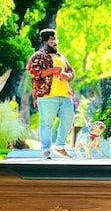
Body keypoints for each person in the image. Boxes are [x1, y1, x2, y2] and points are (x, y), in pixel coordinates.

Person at [25, 28, 75, 159]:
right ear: (45, 42)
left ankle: (59, 146)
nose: (55, 42)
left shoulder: (61, 57)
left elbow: (71, 72)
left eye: (55, 39)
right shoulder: (38, 56)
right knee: (46, 123)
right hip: (47, 96)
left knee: (69, 119)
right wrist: (53, 70)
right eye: (52, 40)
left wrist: (67, 75)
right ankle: (46, 149)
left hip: (65, 95)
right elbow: (33, 71)